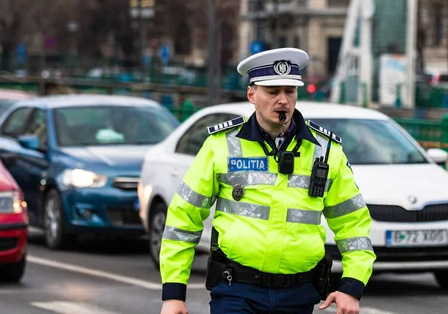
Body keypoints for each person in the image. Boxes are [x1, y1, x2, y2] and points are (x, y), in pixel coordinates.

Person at [159, 48, 375, 314]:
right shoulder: (222, 146)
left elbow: (353, 224)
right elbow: (184, 218)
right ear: (252, 95)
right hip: (236, 290)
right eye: (273, 92)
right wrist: (173, 293)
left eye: (289, 91)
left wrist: (352, 286)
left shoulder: (326, 151)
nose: (283, 100)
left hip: (298, 295)